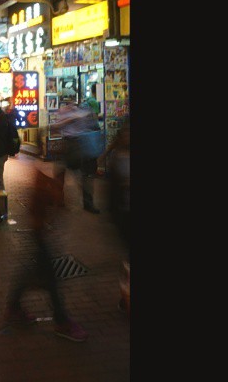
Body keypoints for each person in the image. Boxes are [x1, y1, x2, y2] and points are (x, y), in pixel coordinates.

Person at [4, 138, 88, 342]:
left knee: (36, 273)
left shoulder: (53, 173)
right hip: (40, 233)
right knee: (50, 278)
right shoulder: (47, 174)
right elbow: (45, 202)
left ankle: (14, 306)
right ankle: (61, 321)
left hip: (43, 233)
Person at [51, 98, 101, 213]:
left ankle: (88, 203)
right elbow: (55, 127)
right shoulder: (63, 111)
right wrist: (70, 120)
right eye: (69, 101)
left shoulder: (82, 111)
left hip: (79, 144)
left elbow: (90, 126)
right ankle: (59, 199)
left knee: (83, 175)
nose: (71, 104)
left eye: (72, 101)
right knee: (60, 173)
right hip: (67, 143)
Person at [103, 119, 130, 314]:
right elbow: (112, 191)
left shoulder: (117, 156)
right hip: (125, 213)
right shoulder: (117, 157)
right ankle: (126, 297)